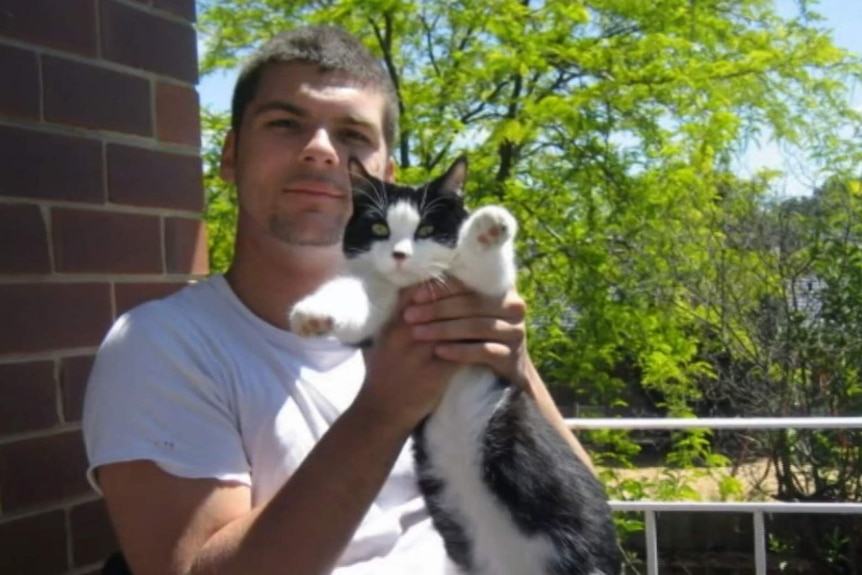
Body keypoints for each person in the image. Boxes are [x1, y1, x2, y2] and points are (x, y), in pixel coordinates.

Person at [83, 25, 594, 575]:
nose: (323, 151)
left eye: (353, 135)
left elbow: (583, 513)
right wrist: (381, 413)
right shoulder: (161, 347)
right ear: (231, 156)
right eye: (285, 124)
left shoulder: (443, 312)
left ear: (389, 179)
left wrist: (516, 368)